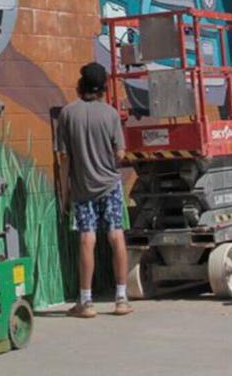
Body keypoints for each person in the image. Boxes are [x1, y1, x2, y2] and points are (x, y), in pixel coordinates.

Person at [55, 63, 133, 318]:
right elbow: (120, 153)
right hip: (110, 185)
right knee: (116, 236)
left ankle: (85, 302)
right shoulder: (110, 114)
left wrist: (65, 194)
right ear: (103, 88)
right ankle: (121, 299)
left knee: (87, 238)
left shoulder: (67, 114)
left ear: (81, 85)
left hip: (82, 188)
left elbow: (64, 158)